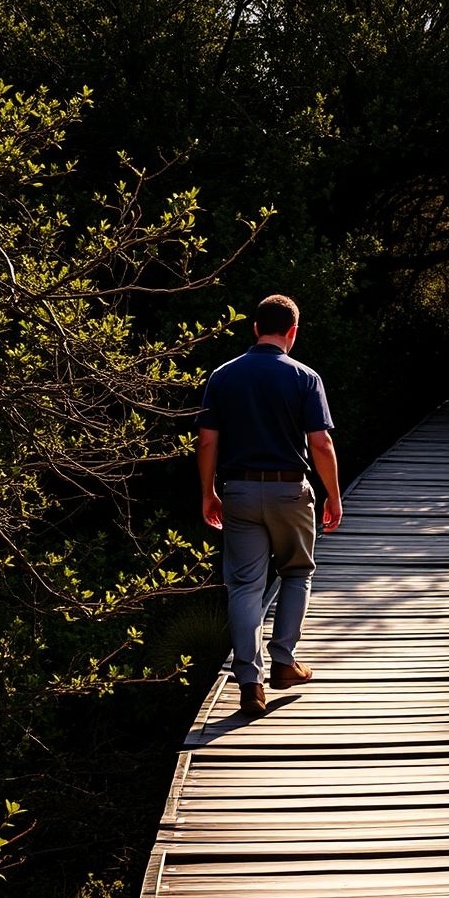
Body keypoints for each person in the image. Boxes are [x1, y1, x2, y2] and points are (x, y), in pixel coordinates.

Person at [197, 294, 342, 715]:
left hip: (238, 492)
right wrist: (333, 494)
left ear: (255, 328)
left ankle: (248, 682)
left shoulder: (223, 376)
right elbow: (320, 442)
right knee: (296, 572)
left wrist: (209, 492)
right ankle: (284, 663)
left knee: (245, 585)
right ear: (292, 332)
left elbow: (207, 440)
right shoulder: (305, 378)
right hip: (290, 490)